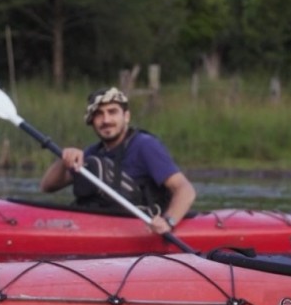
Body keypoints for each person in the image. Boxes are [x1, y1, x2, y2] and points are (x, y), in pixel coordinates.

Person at [40, 87, 196, 236]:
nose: (106, 120)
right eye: (99, 114)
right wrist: (64, 160)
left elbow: (185, 190)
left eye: (112, 112)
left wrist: (168, 222)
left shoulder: (145, 146)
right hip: (100, 227)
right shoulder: (92, 153)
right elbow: (47, 186)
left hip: (145, 229)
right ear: (92, 121)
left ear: (126, 116)